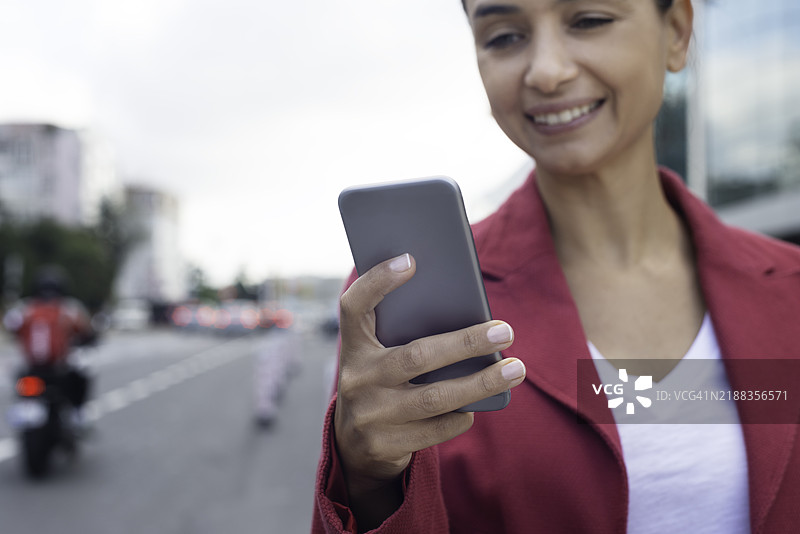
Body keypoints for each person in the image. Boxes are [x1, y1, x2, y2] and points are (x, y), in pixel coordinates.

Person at [312, 1, 800, 532]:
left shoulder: (790, 287)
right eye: (502, 37)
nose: (546, 71)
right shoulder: (399, 298)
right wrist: (366, 479)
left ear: (678, 31)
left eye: (589, 20)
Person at [4, 266, 96, 424]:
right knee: (81, 377)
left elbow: (10, 327)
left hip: (31, 368)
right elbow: (86, 331)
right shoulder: (69, 308)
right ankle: (77, 414)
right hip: (58, 369)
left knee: (19, 378)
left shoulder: (24, 308)